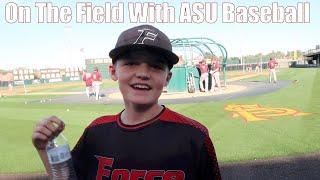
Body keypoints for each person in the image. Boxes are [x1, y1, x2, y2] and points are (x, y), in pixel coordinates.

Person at [31, 24, 221, 179]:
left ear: (168, 78)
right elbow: (67, 178)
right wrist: (44, 148)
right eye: (131, 63)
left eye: (155, 66)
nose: (143, 74)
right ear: (113, 72)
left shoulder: (194, 136)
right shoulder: (95, 132)